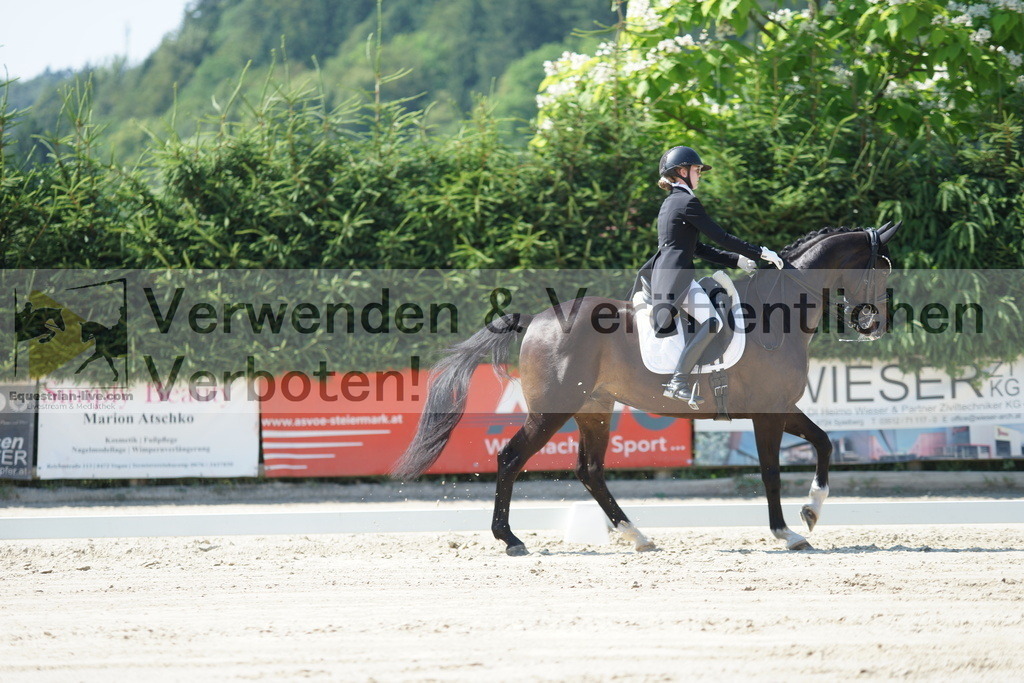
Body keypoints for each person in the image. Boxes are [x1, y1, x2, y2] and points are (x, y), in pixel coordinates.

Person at [640, 145, 784, 405]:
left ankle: (681, 379)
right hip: (676, 278)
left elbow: (696, 248)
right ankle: (678, 381)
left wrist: (737, 259)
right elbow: (721, 237)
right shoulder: (687, 201)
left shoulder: (671, 203)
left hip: (670, 274)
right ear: (681, 172)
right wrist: (759, 252)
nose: (699, 175)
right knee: (713, 322)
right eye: (696, 170)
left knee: (712, 319)